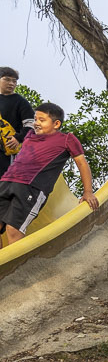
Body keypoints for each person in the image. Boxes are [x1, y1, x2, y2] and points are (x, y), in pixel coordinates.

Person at [0, 102, 98, 249]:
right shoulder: (29, 136)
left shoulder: (66, 139)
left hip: (31, 188)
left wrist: (88, 192)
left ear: (56, 123)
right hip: (6, 182)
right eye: (35, 119)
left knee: (13, 229)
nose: (36, 123)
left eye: (42, 120)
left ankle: (15, 271)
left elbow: (82, 163)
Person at [0, 67, 36, 237]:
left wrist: (19, 138)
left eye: (15, 81)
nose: (12, 84)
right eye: (8, 79)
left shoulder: (20, 102)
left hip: (9, 156)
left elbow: (31, 126)